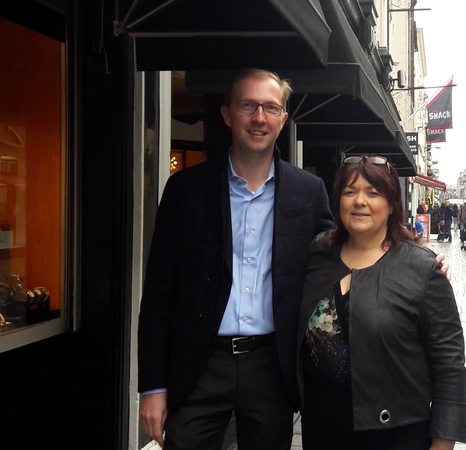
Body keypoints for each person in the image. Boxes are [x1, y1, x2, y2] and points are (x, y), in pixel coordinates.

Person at [136, 68, 337, 450]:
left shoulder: (309, 192)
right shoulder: (185, 190)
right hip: (198, 365)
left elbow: (339, 257)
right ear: (227, 114)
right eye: (248, 106)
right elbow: (159, 294)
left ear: (283, 120)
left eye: (270, 108)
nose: (259, 118)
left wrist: (405, 256)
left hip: (271, 368)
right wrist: (153, 386)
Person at [297, 156, 466, 449]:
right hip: (321, 430)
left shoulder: (421, 268)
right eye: (349, 192)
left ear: (392, 205)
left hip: (397, 433)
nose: (359, 201)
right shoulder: (318, 253)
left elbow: (449, 362)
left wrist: (443, 442)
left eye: (373, 193)